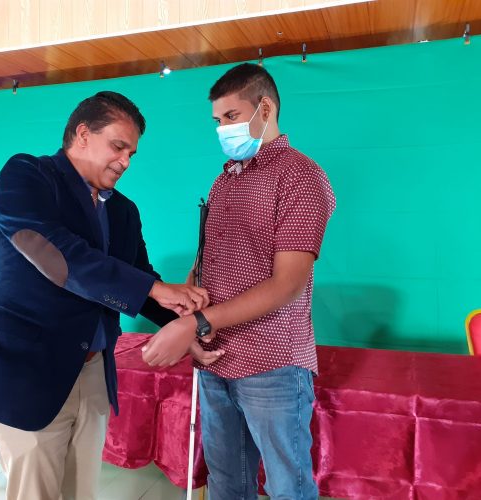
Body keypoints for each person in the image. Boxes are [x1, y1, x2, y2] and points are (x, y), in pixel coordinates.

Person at [0, 91, 212, 500]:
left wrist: (186, 325)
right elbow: (57, 254)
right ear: (83, 134)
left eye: (132, 154)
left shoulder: (124, 210)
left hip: (91, 372)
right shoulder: (27, 175)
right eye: (118, 147)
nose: (125, 161)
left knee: (81, 493)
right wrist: (157, 289)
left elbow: (140, 283)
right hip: (25, 371)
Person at [142, 63, 336, 499]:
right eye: (217, 121)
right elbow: (206, 260)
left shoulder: (301, 177)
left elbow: (287, 283)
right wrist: (185, 311)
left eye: (231, 117)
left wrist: (196, 324)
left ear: (264, 108)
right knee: (227, 483)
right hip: (214, 360)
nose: (223, 129)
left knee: (290, 486)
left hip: (272, 363)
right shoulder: (224, 179)